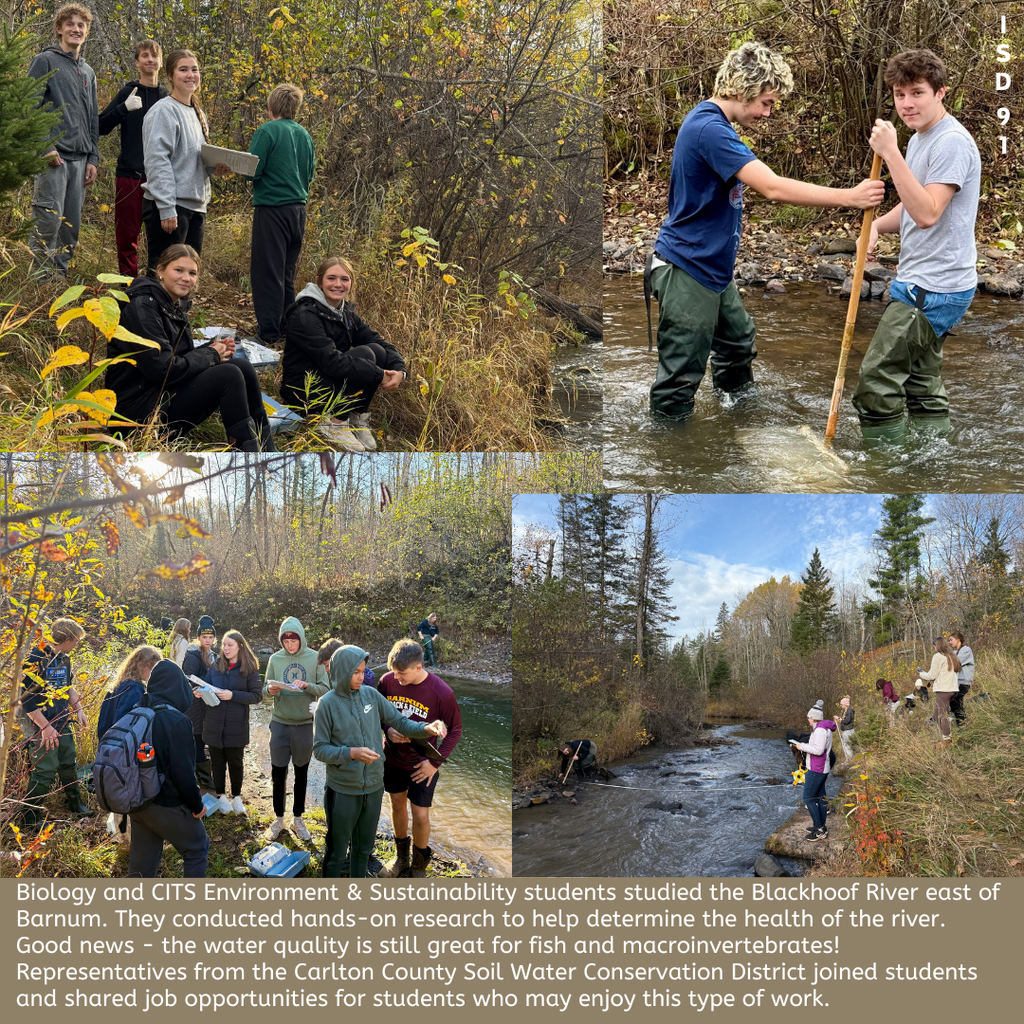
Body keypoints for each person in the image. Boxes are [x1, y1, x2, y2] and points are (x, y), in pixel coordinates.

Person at [648, 41, 885, 420]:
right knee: (680, 377)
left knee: (737, 345)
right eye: (767, 102)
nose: (768, 113)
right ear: (742, 90)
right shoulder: (709, 129)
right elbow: (772, 187)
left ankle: (741, 423)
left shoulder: (714, 125)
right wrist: (850, 197)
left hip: (711, 269)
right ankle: (673, 456)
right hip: (686, 269)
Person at [853, 50, 981, 444]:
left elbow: (927, 213)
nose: (906, 104)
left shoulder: (952, 143)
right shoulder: (921, 139)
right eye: (899, 94)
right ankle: (931, 461)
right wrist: (873, 227)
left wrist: (889, 153)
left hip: (934, 288)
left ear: (940, 93)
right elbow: (911, 207)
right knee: (921, 387)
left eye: (917, 93)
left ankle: (885, 470)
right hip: (927, 282)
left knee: (875, 384)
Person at [106, 244, 276, 450]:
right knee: (229, 375)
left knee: (243, 367)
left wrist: (213, 348)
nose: (186, 278)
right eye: (179, 270)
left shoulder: (171, 304)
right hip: (136, 416)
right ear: (160, 271)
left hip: (159, 396)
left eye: (192, 273)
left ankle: (267, 449)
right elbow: (163, 370)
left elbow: (179, 356)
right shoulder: (142, 307)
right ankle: (247, 455)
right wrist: (210, 354)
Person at [312, 644, 447, 878]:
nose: (361, 677)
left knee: (363, 849)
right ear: (342, 671)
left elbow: (400, 722)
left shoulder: (371, 695)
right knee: (336, 850)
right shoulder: (327, 704)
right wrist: (351, 753)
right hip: (343, 789)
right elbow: (320, 750)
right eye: (356, 672)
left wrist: (426, 727)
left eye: (363, 671)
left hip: (374, 787)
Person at [281, 256, 406, 451]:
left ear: (351, 283)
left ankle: (355, 415)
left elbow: (378, 341)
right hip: (303, 388)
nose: (338, 284)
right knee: (366, 355)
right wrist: (378, 374)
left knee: (378, 352)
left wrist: (399, 370)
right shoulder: (305, 315)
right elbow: (332, 361)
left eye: (344, 279)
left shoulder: (345, 314)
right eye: (331, 278)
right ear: (320, 281)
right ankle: (335, 423)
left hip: (328, 379)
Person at [376, 640, 463, 878]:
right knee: (396, 805)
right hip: (392, 758)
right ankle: (401, 858)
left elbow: (455, 730)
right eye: (394, 671)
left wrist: (434, 763)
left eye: (401, 673)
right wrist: (387, 729)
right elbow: (378, 711)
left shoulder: (441, 692)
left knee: (421, 813)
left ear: (418, 667)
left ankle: (418, 866)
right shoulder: (387, 681)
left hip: (422, 763)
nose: (397, 677)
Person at [141, 48, 232, 270]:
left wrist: (215, 168)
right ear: (170, 76)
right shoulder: (164, 111)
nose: (190, 75)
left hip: (196, 206)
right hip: (171, 207)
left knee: (187, 277)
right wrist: (167, 208)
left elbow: (193, 160)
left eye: (194, 69)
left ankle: (181, 307)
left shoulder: (198, 113)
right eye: (183, 70)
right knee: (164, 277)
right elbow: (157, 161)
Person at [27, 5, 100, 278]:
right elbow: (28, 107)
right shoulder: (45, 61)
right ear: (59, 29)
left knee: (70, 227)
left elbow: (93, 118)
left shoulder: (88, 72)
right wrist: (45, 146)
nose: (76, 29)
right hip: (53, 159)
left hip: (81, 161)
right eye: (70, 24)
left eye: (81, 25)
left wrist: (93, 158)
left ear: (87, 31)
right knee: (47, 222)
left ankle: (58, 281)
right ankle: (39, 284)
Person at [245, 83, 316, 345]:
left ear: (271, 107)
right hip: (298, 211)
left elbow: (253, 169)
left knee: (267, 272)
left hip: (272, 209)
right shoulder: (304, 135)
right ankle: (287, 326)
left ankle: (268, 333)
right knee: (286, 272)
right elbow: (309, 175)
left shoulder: (268, 130)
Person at [127, 660, 209, 878]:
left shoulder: (137, 711)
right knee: (197, 847)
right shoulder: (177, 720)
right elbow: (184, 775)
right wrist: (197, 805)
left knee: (140, 869)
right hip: (165, 803)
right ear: (178, 687)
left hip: (137, 802)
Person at [98, 39, 167, 277]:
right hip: (130, 176)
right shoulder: (129, 92)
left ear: (160, 61)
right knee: (128, 237)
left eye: (154, 56)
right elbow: (100, 126)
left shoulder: (168, 98)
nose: (150, 60)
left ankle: (154, 288)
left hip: (161, 180)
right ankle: (128, 289)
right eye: (145, 56)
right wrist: (124, 109)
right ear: (137, 62)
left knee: (159, 239)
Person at [18, 618, 90, 826]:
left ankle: (75, 805)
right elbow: (26, 700)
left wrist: (79, 711)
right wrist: (45, 728)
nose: (76, 645)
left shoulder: (64, 658)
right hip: (41, 726)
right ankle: (30, 818)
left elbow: (68, 687)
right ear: (66, 639)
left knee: (69, 763)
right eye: (76, 641)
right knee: (45, 770)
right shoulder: (35, 659)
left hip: (62, 721)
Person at [263, 617, 329, 841]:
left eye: (294, 640)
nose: (290, 645)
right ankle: (279, 819)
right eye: (286, 640)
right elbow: (265, 688)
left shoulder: (315, 659)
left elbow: (326, 689)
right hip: (280, 722)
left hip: (304, 724)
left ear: (301, 638)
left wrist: (307, 685)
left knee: (301, 773)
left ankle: (298, 819)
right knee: (278, 773)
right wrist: (271, 690)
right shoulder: (275, 658)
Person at [96, 644, 162, 839]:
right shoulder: (134, 690)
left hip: (107, 745)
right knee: (127, 788)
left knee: (116, 787)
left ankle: (121, 833)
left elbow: (104, 721)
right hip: (122, 749)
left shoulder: (119, 685)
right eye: (153, 669)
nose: (153, 675)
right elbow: (125, 723)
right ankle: (127, 836)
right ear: (142, 666)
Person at [203, 630, 262, 814]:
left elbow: (257, 696)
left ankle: (236, 797)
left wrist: (232, 695)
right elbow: (206, 684)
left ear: (240, 646)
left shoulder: (250, 668)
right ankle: (221, 796)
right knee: (217, 762)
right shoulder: (216, 665)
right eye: (224, 645)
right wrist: (200, 692)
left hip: (236, 724)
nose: (226, 649)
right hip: (214, 722)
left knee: (236, 763)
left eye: (230, 645)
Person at [788, 700, 836, 843]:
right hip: (820, 768)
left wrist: (801, 746)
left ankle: (819, 828)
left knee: (808, 798)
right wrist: (804, 745)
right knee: (820, 798)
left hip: (817, 769)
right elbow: (817, 746)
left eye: (809, 717)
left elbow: (818, 750)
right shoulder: (822, 728)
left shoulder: (820, 730)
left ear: (814, 717)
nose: (808, 719)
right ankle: (821, 827)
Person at [182, 615, 217, 793]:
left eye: (211, 638)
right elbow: (187, 677)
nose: (208, 641)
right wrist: (206, 682)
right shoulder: (193, 654)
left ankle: (205, 776)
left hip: (209, 704)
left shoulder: (214, 655)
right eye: (204, 637)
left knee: (204, 738)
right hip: (195, 704)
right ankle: (203, 779)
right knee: (196, 738)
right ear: (198, 638)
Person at [917, 635, 961, 745]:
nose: (934, 649)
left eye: (934, 647)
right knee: (936, 716)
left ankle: (947, 739)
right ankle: (943, 734)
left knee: (942, 715)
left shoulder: (938, 656)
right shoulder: (952, 656)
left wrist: (921, 674)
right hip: (953, 689)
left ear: (937, 646)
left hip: (943, 690)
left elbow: (932, 675)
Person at [948, 630, 975, 726]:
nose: (950, 642)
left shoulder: (966, 650)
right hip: (956, 682)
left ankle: (962, 723)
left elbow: (956, 663)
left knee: (956, 701)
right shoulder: (955, 652)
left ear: (958, 640)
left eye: (951, 640)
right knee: (953, 702)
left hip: (964, 681)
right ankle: (960, 723)